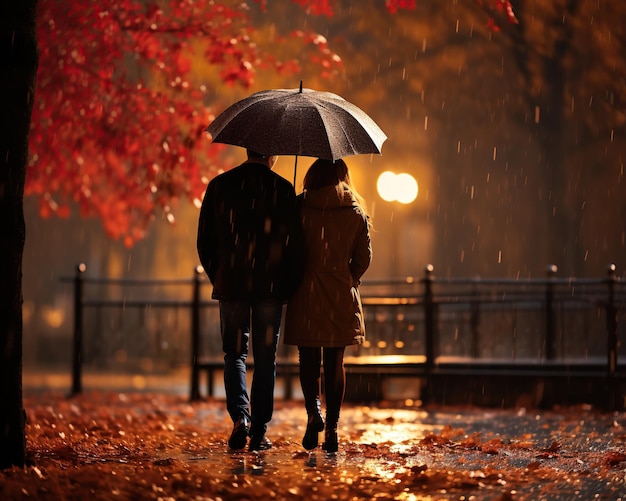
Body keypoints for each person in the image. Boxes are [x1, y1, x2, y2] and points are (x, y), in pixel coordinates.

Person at [197, 149, 303, 452]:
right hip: (269, 287)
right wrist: (287, 285)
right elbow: (295, 247)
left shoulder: (220, 185)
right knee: (266, 358)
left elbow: (205, 241)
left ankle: (239, 418)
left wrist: (219, 274)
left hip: (232, 284)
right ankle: (259, 429)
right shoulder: (282, 189)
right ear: (272, 155)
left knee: (234, 354)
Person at [283, 158, 372, 453]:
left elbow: (288, 249)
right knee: (335, 364)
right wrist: (347, 277)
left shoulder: (298, 207)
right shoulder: (355, 212)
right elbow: (363, 259)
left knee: (308, 360)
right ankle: (332, 428)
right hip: (339, 293)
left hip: (306, 292)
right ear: (342, 175)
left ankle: (314, 413)